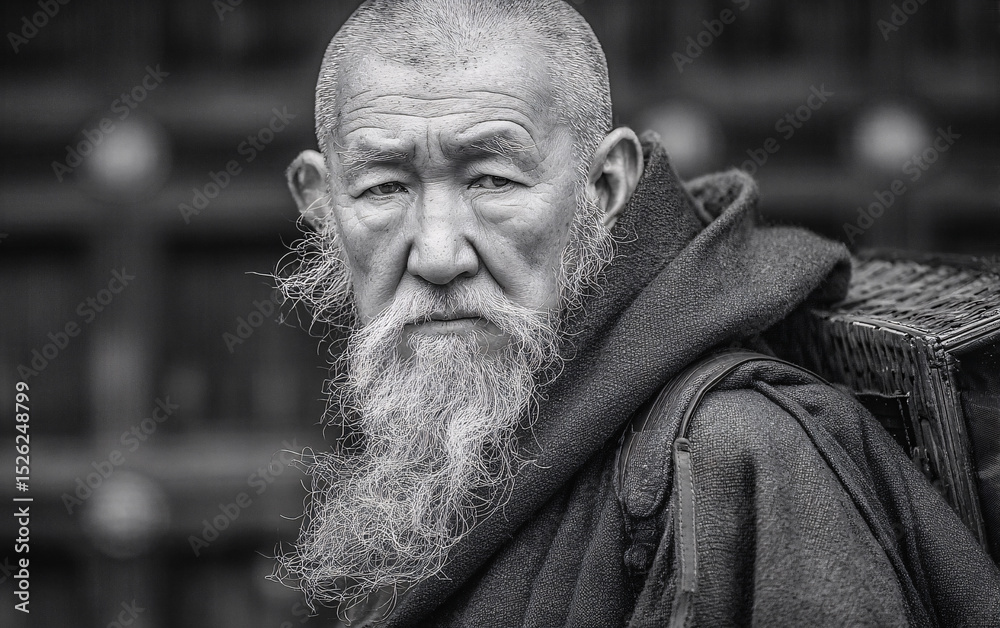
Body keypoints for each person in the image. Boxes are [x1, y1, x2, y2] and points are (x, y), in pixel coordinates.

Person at [273, 0, 1000, 625]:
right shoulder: (448, 432)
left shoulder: (737, 454)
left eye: (492, 179)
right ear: (320, 202)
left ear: (606, 184)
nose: (435, 254)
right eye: (382, 189)